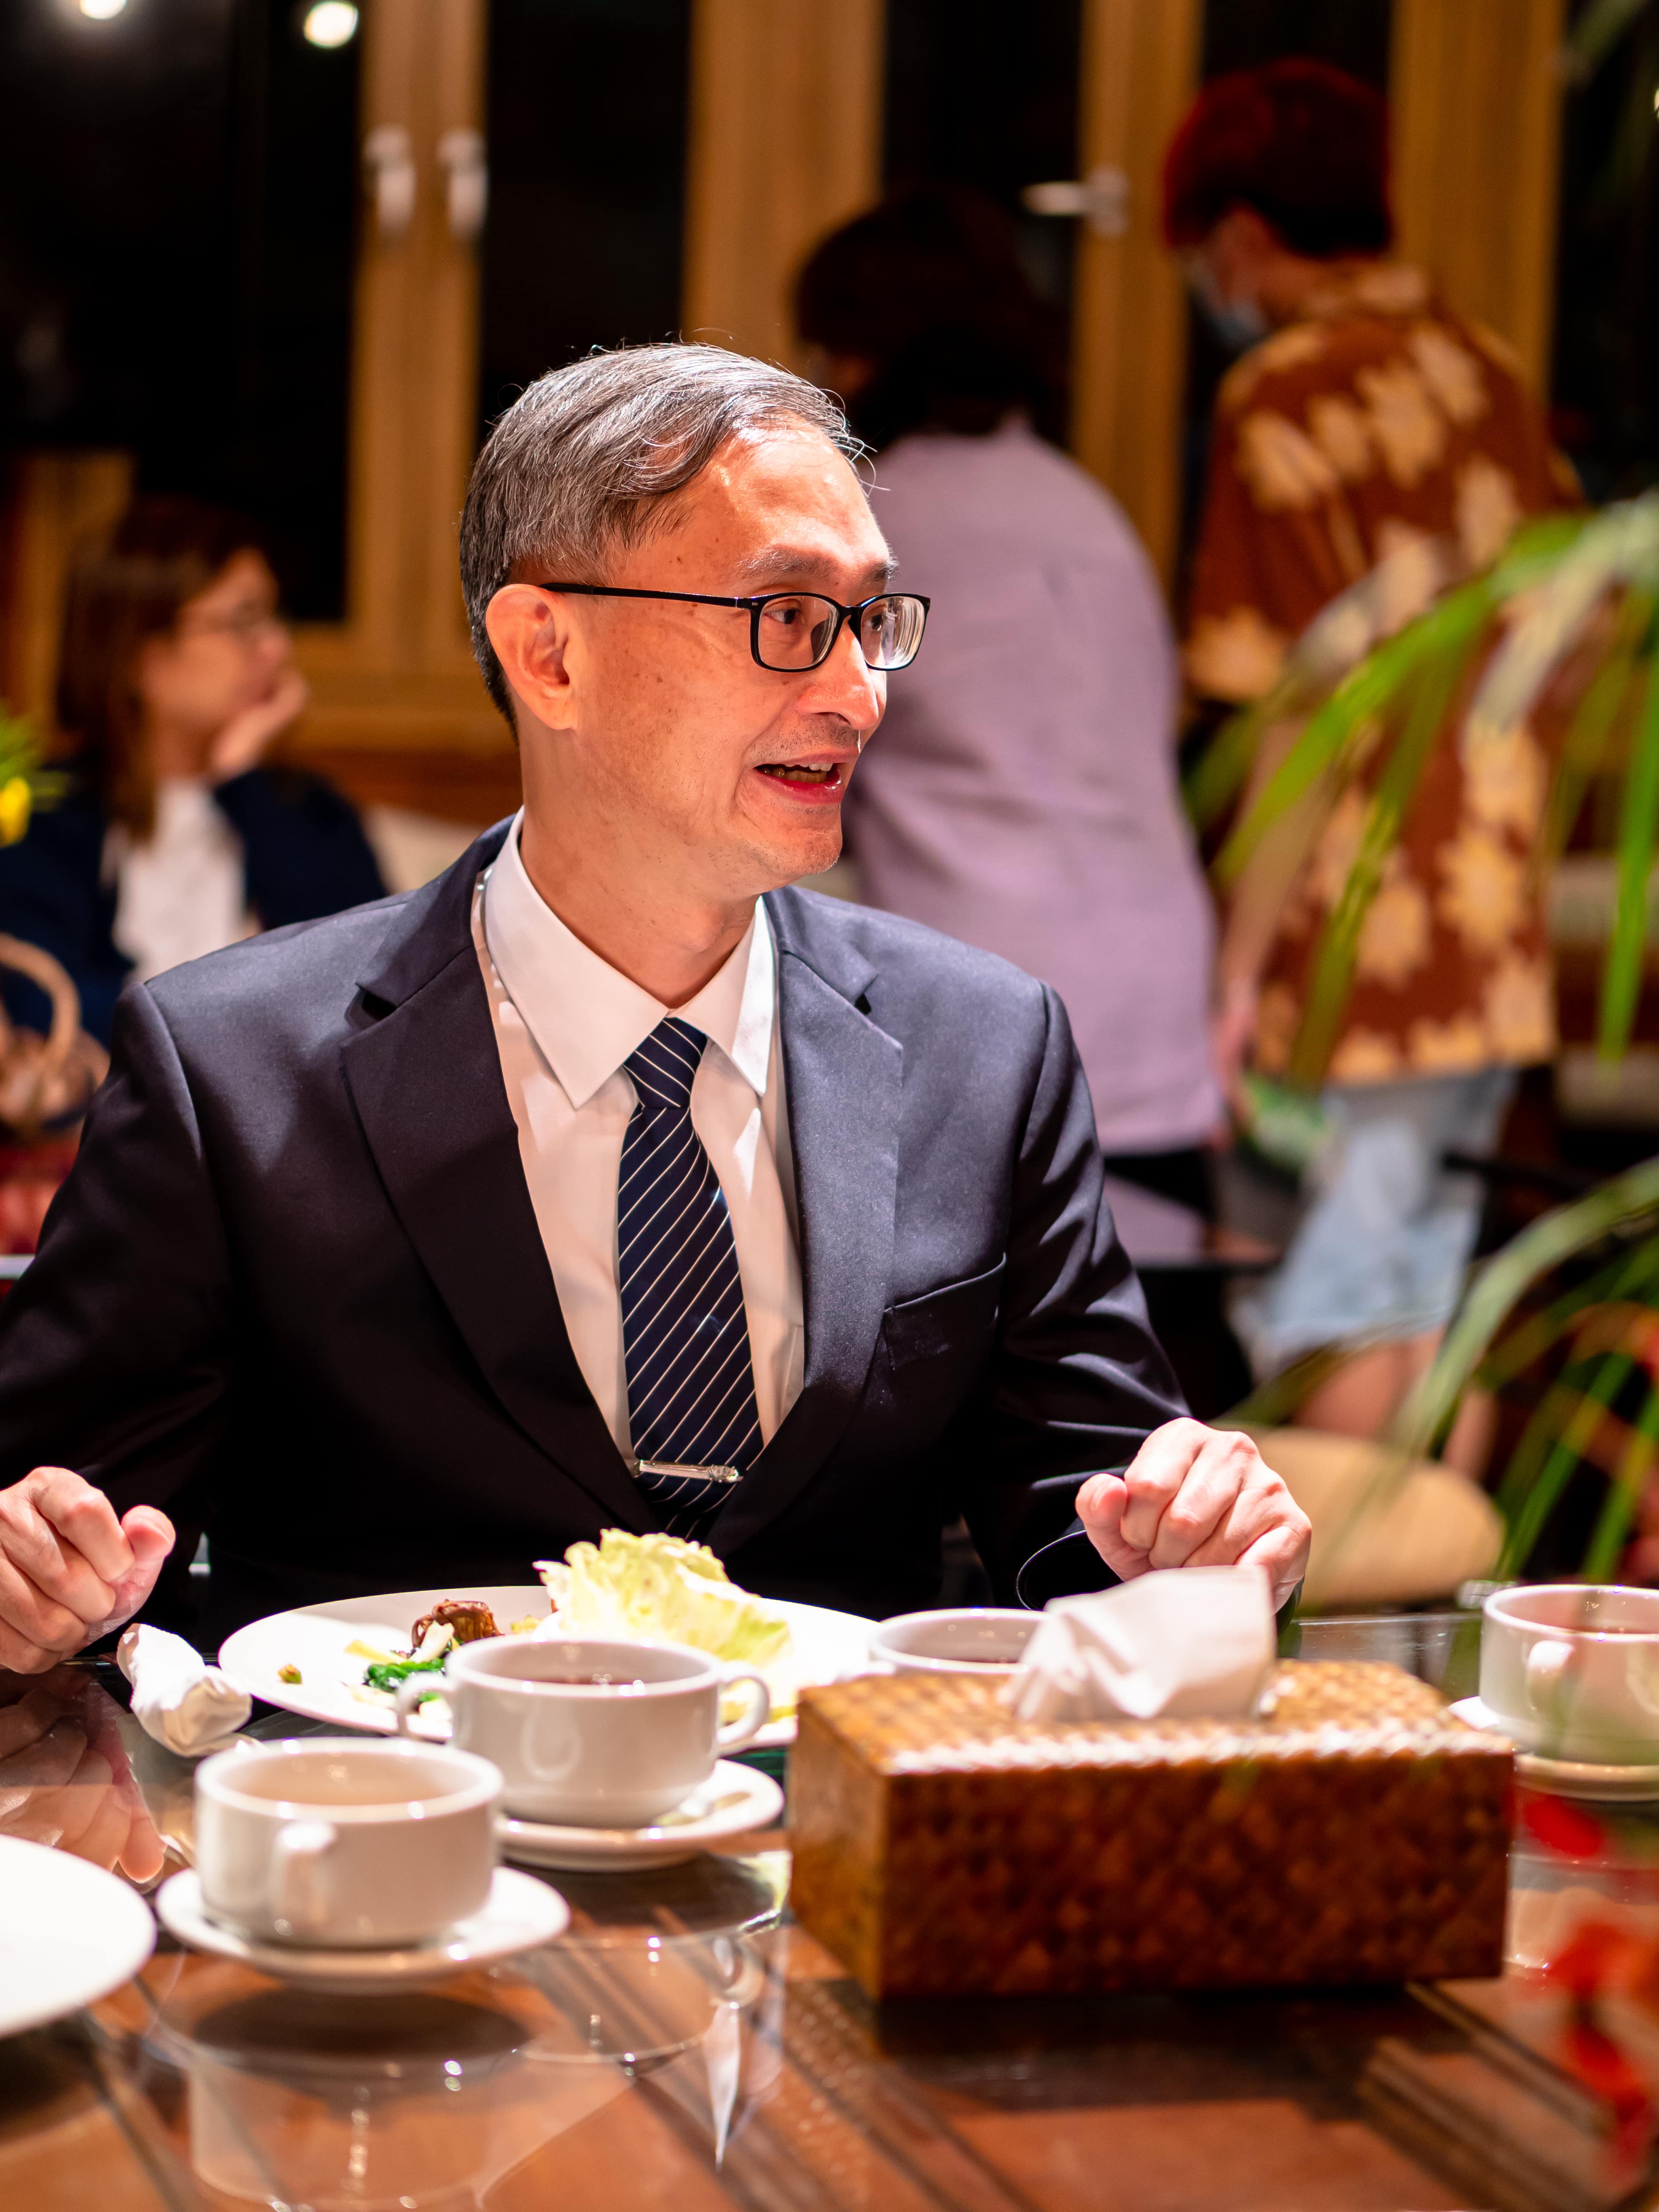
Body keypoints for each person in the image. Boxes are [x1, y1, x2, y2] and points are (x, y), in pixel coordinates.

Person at [0, 345, 1308, 1673]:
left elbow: (1092, 1524)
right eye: (787, 617)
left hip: (843, 1839)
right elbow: (61, 1531)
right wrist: (31, 1578)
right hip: (390, 1834)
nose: (859, 695)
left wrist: (1201, 1541)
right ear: (548, 653)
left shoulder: (985, 1046)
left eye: (870, 622)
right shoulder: (234, 1068)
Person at [1167, 61, 1576, 1439]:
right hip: (1485, 902)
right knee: (1413, 1284)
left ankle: (1339, 1645)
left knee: (1329, 1297)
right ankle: (1419, 1631)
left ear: (1237, 229)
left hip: (1347, 921)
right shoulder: (1491, 374)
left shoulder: (1279, 395)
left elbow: (1288, 710)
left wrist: (1230, 967)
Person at [796, 186, 1221, 1214]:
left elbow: (793, 758)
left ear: (863, 353)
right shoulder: (1087, 508)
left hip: (992, 1024)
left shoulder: (871, 526)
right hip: (1161, 1012)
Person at [0, 496, 384, 1046]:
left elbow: (370, 991)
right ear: (140, 652)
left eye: (275, 617)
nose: (277, 647)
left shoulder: (308, 813)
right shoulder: (46, 814)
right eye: (243, 622)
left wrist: (244, 782)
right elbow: (44, 1008)